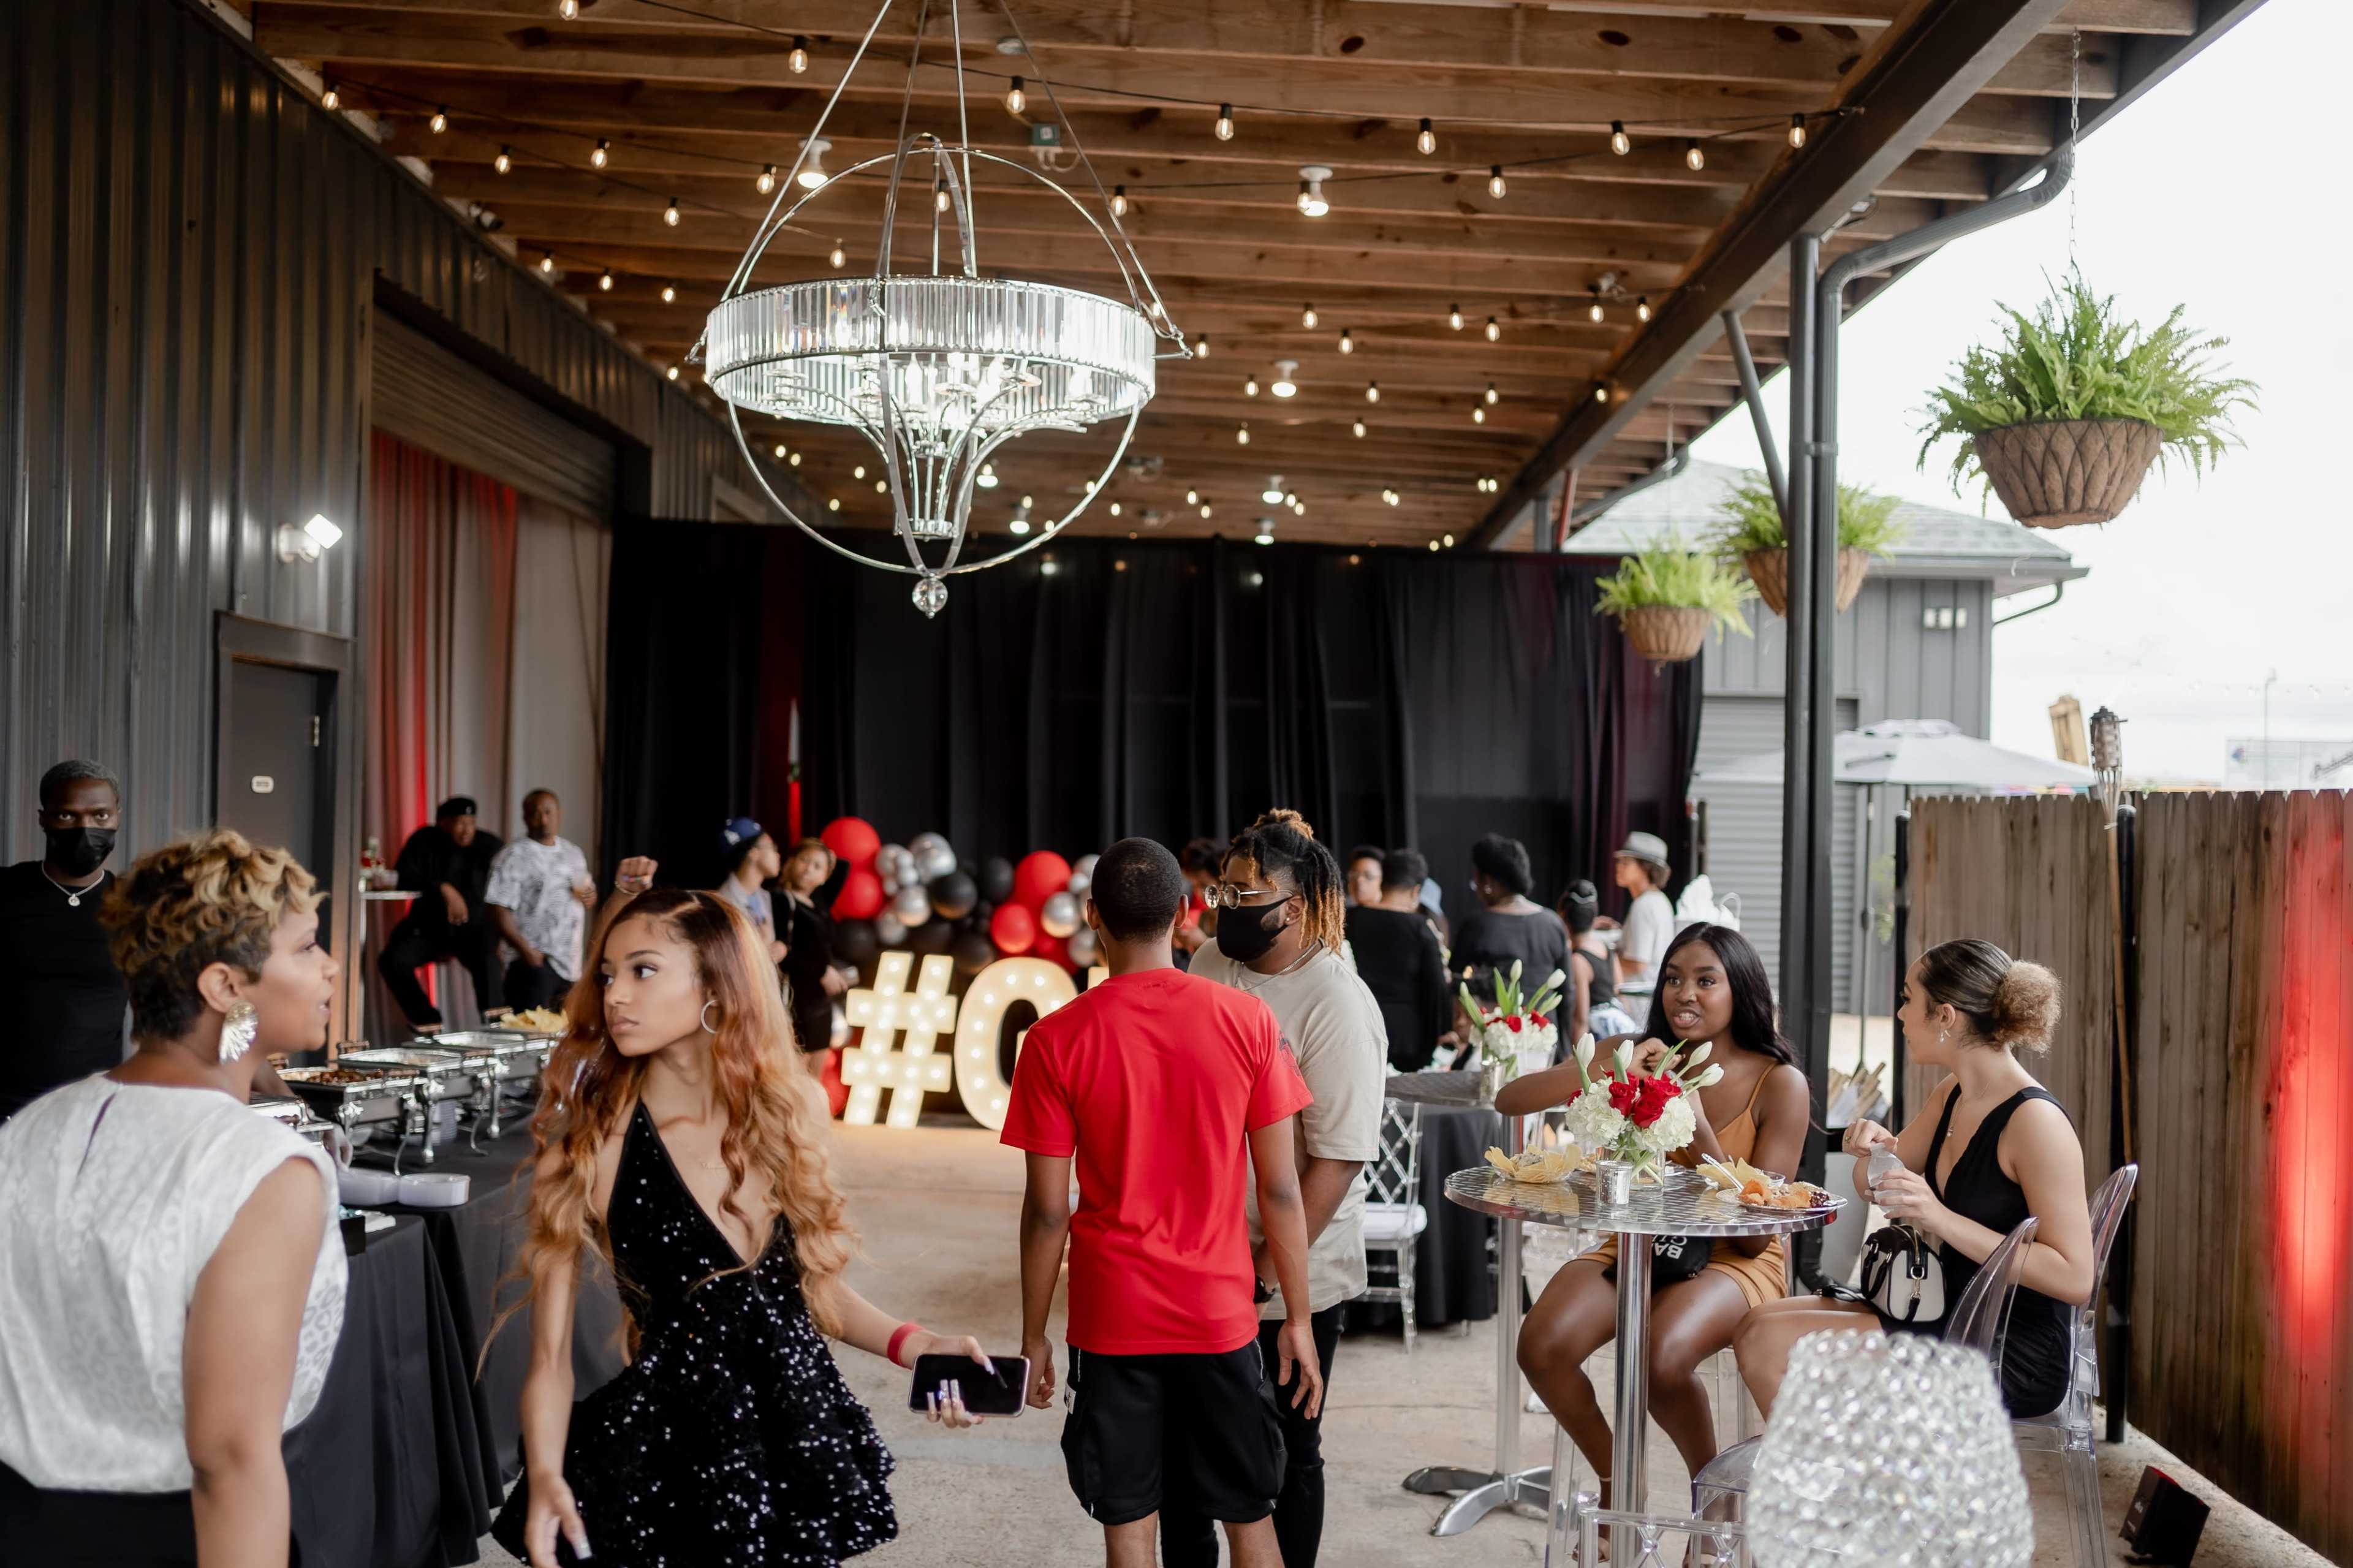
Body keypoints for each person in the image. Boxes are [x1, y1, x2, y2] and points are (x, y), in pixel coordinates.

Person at [493, 876, 989, 1568]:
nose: (614, 995)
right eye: (607, 974)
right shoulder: (590, 1149)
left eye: (643, 971)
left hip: (794, 1438)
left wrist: (918, 1343)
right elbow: (547, 1361)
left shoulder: (787, 1117)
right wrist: (546, 1473)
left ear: (716, 989)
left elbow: (798, 1293)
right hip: (675, 1454)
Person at [0, 830, 346, 1566]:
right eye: (308, 947)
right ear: (225, 987)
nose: (331, 967)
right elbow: (229, 1459)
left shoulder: (31, 1129)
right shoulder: (261, 1168)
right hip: (164, 1538)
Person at [1002, 838, 1322, 1568]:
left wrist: (1033, 1335)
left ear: (1092, 918)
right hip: (1219, 1316)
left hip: (1114, 1321)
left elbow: (1048, 1210)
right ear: (1185, 913)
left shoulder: (1053, 1041)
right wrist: (1298, 1320)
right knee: (1252, 1526)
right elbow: (1278, 1188)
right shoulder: (1248, 1022)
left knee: (1131, 1537)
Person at [1501, 923, 1808, 1509]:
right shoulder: (1640, 1056)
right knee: (1541, 1343)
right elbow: (1509, 1099)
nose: (1684, 993)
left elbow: (1754, 1234)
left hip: (1734, 1260)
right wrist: (1615, 1070)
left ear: (1739, 989)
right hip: (1643, 1241)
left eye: (1705, 980)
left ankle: (1715, 1496)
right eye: (1672, 979)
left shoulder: (1780, 1083)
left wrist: (1690, 1118)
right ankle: (1621, 1481)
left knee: (1658, 1356)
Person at [1732, 940, 2094, 1420]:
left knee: (1770, 1343)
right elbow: (1875, 1183)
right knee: (1755, 1323)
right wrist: (1870, 1149)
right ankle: (1841, 1481)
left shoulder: (2034, 1122)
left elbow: (2075, 1277)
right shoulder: (1954, 1094)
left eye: (1907, 999)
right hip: (1939, 1310)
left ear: (1946, 1016)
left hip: (2004, 1347)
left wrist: (1939, 1218)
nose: (1901, 1014)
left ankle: (1833, 1487)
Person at [1172, 810, 1385, 1568]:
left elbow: (1337, 1159)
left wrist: (1267, 1275)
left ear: (1293, 907)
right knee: (1192, 1444)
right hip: (1202, 1254)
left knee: (1288, 1445)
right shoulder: (1208, 966)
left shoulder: (1336, 1001)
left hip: (1295, 1267)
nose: (1226, 907)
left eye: (1244, 895)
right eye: (1222, 892)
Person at [0, 760, 130, 1123]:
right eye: (67, 817)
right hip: (7, 1116)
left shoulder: (133, 907)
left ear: (118, 816)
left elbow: (182, 1007)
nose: (85, 829)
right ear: (44, 819)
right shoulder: (6, 892)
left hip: (93, 1118)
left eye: (100, 816)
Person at [380, 795, 506, 1028]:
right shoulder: (424, 839)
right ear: (442, 823)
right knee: (392, 960)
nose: (467, 830)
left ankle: (496, 1027)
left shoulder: (489, 845)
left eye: (471, 822)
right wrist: (443, 888)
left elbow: (509, 884)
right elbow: (403, 876)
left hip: (473, 931)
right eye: (460, 823)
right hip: (430, 928)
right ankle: (427, 1022)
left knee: (489, 962)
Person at [485, 789, 597, 1012]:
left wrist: (590, 897)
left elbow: (586, 895)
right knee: (533, 1034)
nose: (543, 819)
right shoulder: (513, 856)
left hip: (570, 962)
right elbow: (498, 908)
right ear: (525, 817)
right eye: (536, 814)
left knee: (567, 1034)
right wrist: (527, 953)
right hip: (533, 962)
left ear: (559, 814)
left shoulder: (573, 853)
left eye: (548, 812)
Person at [1343, 848, 1451, 1071]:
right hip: (1408, 1041)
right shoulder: (1421, 929)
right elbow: (1436, 989)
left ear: (1383, 881)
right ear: (1416, 891)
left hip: (1355, 1030)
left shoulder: (1348, 920)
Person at [1450, 833, 1571, 998]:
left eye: (1476, 881)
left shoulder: (1477, 925)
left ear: (1487, 882)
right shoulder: (1552, 922)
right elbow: (1567, 991)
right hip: (1544, 1022)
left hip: (1495, 1023)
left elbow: (1455, 980)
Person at [778, 838, 852, 1072]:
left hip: (820, 1002)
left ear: (824, 877)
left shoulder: (818, 903)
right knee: (795, 1078)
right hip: (797, 999)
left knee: (815, 1079)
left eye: (817, 866)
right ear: (792, 862)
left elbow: (843, 868)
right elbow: (781, 953)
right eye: (804, 860)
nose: (808, 868)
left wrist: (826, 854)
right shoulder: (781, 900)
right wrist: (822, 971)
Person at [1555, 879, 1640, 1048]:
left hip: (1597, 1040)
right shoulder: (1608, 950)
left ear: (1564, 916)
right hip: (1619, 1032)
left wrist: (1575, 1064)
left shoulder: (1578, 961)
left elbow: (1581, 1020)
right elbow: (1620, 995)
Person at [713, 816, 787, 969]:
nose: (778, 855)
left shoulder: (765, 897)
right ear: (753, 853)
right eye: (772, 847)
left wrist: (780, 948)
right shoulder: (722, 904)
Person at [1605, 830, 1676, 992]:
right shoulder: (1659, 900)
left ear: (1646, 868)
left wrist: (1599, 959)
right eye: (1619, 861)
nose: (1619, 866)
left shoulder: (1644, 906)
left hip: (1637, 1000)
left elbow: (1637, 963)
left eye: (1626, 862)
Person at [1173, 835, 1221, 958]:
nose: (1199, 893)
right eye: (1194, 886)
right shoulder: (1203, 914)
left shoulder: (1233, 915)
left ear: (1221, 880)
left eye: (1204, 886)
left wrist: (1203, 943)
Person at [1343, 844, 1385, 908]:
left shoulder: (1391, 912)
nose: (1359, 880)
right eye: (1354, 875)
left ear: (1382, 879)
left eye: (1368, 876)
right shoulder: (1342, 911)